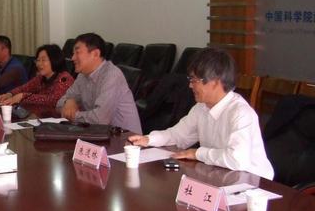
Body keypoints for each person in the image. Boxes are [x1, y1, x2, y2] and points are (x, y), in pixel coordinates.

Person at [128, 48, 274, 179]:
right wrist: (149, 139)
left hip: (254, 184)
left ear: (215, 82)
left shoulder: (241, 113)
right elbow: (178, 135)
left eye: (194, 80)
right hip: (221, 175)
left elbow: (236, 159)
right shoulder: (201, 108)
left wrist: (197, 153)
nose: (190, 85)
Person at [56, 33, 142, 133]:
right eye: (73, 53)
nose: (72, 58)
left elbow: (100, 119)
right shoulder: (82, 76)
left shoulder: (112, 75)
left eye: (77, 52)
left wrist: (72, 114)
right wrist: (68, 101)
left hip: (126, 139)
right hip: (99, 134)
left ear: (95, 54)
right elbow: (58, 104)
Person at [0, 44, 74, 108]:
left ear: (54, 60)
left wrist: (23, 96)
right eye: (38, 60)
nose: (39, 64)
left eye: (43, 60)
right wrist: (9, 94)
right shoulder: (40, 78)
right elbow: (24, 88)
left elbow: (54, 100)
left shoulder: (64, 78)